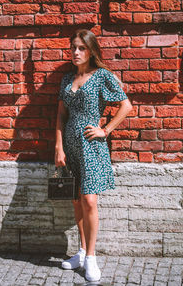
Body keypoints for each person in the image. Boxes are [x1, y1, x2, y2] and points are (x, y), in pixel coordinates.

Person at [55, 29, 132, 282]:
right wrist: (59, 146)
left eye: (81, 48)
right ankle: (80, 251)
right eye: (73, 47)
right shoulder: (67, 79)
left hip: (90, 145)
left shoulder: (101, 76)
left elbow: (126, 105)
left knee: (89, 200)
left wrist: (105, 130)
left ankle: (91, 257)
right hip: (70, 145)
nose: (75, 52)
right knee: (76, 200)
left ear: (91, 51)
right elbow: (61, 115)